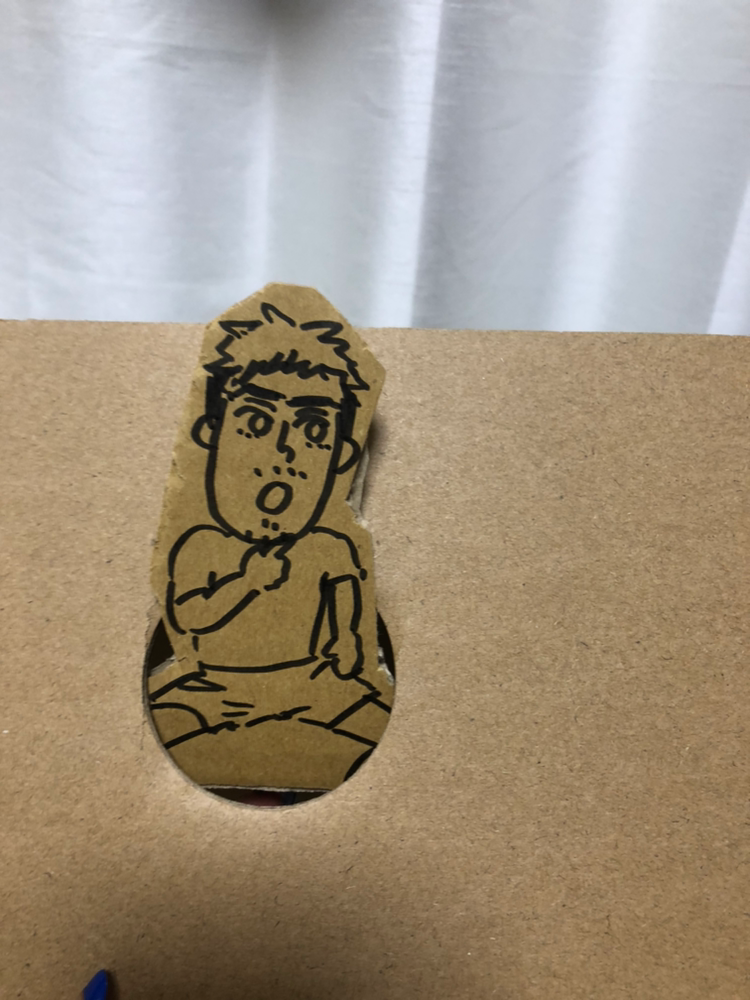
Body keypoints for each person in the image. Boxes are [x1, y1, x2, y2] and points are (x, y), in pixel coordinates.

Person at [147, 296, 393, 787]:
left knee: (367, 717)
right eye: (257, 423)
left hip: (312, 684)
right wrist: (245, 583)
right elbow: (188, 616)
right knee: (172, 717)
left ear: (341, 456)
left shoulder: (329, 547)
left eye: (313, 430)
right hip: (212, 690)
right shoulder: (200, 544)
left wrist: (347, 640)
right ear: (210, 433)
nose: (284, 451)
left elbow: (345, 594)